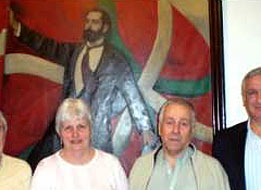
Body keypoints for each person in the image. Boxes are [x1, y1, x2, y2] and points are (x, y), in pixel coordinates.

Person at [9, 7, 156, 169]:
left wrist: (145, 128)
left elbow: (132, 94)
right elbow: (48, 46)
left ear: (105, 28)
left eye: (94, 22)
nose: (89, 25)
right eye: (87, 21)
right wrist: (20, 30)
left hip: (96, 135)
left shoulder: (116, 60)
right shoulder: (74, 52)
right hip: (65, 134)